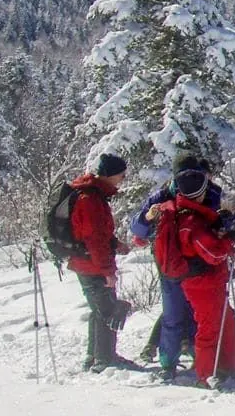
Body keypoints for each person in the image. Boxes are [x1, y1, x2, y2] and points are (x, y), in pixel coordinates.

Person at [132, 155, 223, 378]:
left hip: (196, 261)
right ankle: (168, 362)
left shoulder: (210, 191)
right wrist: (147, 216)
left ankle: (194, 355)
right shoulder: (162, 196)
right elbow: (138, 229)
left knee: (193, 312)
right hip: (171, 261)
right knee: (174, 313)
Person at [155, 166, 235, 387]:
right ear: (200, 192)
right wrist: (228, 240)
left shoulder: (189, 215)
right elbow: (213, 253)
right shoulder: (192, 222)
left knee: (225, 320)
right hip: (202, 281)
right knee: (210, 326)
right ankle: (206, 375)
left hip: (205, 280)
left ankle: (225, 366)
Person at [67, 153, 135, 373]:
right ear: (109, 175)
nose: (122, 179)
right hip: (91, 264)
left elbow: (99, 234)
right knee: (108, 310)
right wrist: (107, 271)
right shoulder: (91, 199)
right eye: (121, 175)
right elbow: (94, 239)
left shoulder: (92, 195)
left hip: (86, 261)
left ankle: (95, 356)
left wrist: (115, 244)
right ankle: (105, 360)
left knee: (99, 309)